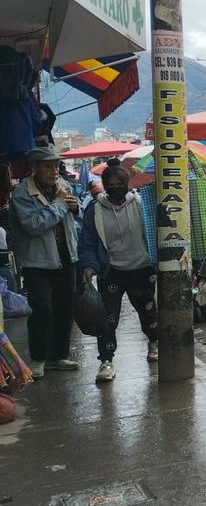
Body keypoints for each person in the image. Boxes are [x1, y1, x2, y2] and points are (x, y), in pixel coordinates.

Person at [78, 159, 158, 382]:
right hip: (110, 271)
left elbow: (153, 233)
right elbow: (87, 241)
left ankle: (154, 342)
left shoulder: (141, 204)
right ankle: (106, 361)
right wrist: (88, 265)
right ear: (104, 185)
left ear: (127, 183)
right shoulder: (94, 210)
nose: (115, 187)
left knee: (148, 311)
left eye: (119, 183)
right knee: (107, 319)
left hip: (142, 269)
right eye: (110, 184)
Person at [9, 147, 81, 378]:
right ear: (35, 168)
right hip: (37, 261)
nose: (54, 171)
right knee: (42, 309)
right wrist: (61, 205)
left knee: (64, 308)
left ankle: (59, 355)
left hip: (65, 256)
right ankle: (39, 358)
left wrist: (74, 207)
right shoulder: (22, 193)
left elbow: (73, 215)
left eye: (56, 166)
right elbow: (34, 225)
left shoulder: (62, 186)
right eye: (49, 166)